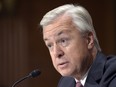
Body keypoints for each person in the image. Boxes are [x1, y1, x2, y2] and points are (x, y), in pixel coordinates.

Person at [39, 4, 116, 87]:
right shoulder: (65, 83)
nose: (56, 53)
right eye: (50, 45)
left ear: (89, 40)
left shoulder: (112, 74)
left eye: (63, 41)